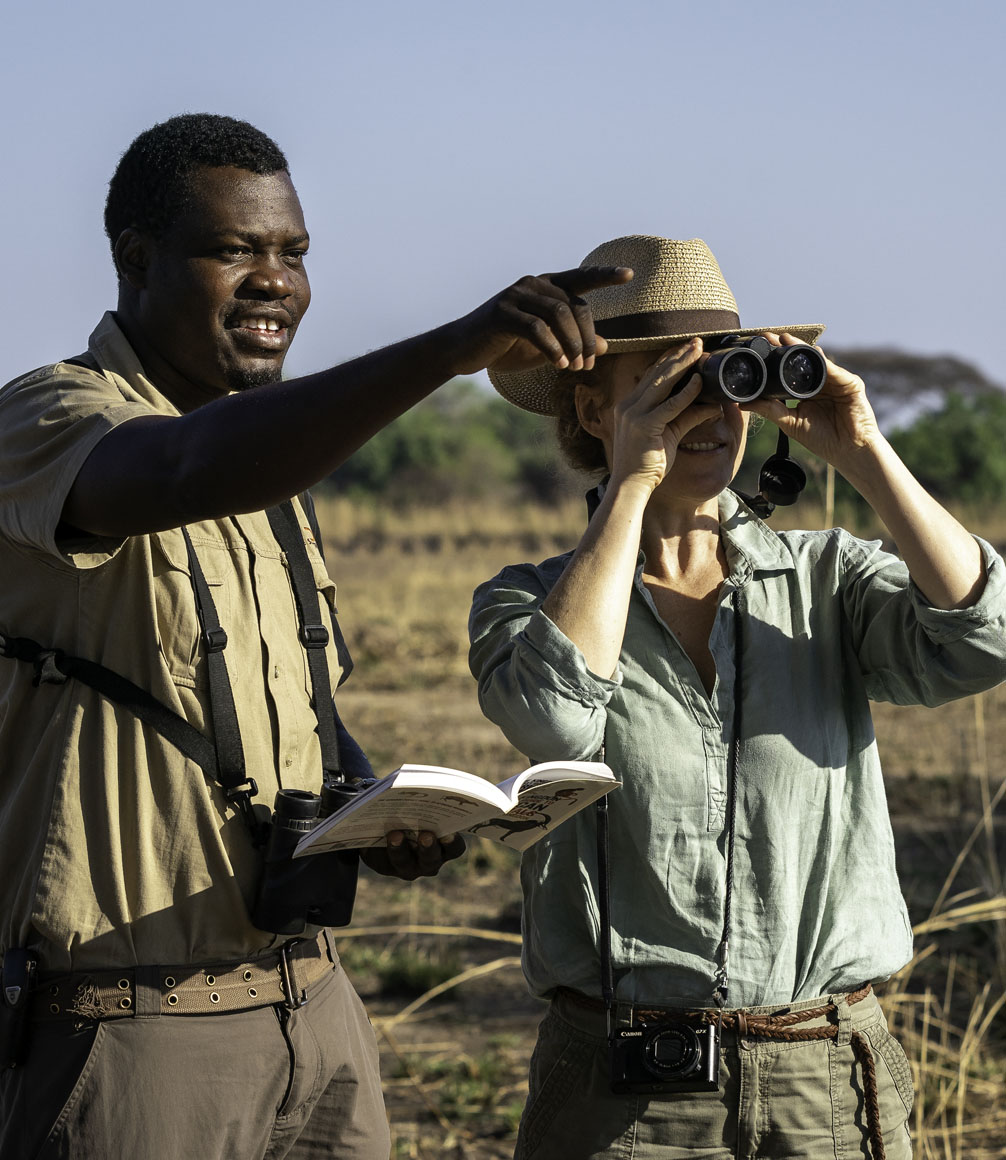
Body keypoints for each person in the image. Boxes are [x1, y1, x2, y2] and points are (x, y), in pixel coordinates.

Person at [0, 113, 632, 1160]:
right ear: (136, 257)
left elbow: (293, 707)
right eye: (233, 249)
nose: (274, 281)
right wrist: (453, 346)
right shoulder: (50, 418)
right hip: (128, 1021)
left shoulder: (274, 468)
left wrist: (377, 809)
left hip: (313, 1003)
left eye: (292, 252)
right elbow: (176, 471)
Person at [468, 235, 1006, 1160]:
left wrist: (866, 453)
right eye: (671, 384)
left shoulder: (828, 580)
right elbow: (554, 716)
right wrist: (635, 484)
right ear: (594, 407)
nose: (710, 409)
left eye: (728, 377)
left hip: (824, 1076)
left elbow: (986, 637)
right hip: (621, 1091)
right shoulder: (526, 600)